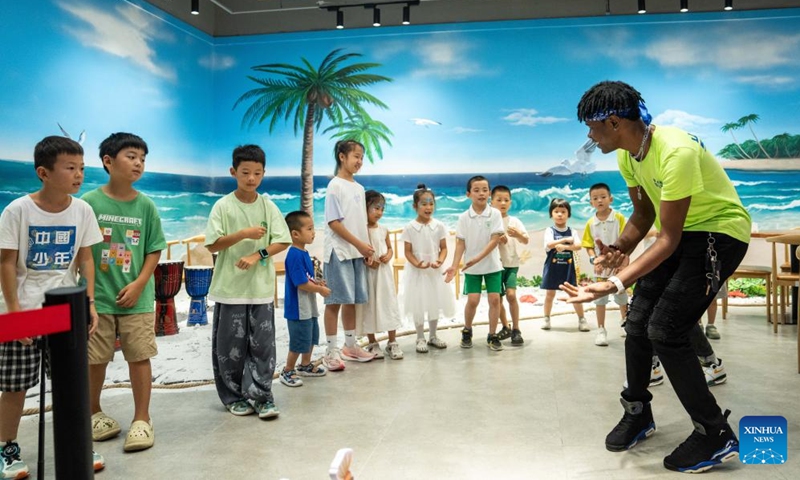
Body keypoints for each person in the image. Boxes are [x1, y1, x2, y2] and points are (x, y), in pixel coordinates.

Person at [567, 80, 750, 473]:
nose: (588, 135)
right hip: (683, 234)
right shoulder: (628, 154)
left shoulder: (676, 151)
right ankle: (638, 412)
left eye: (592, 126)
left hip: (720, 233)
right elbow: (645, 216)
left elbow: (667, 238)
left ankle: (714, 433)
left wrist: (616, 282)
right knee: (637, 323)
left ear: (614, 122)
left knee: (666, 329)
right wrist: (620, 250)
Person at [0, 136, 105, 478]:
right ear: (43, 172)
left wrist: (89, 302)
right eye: (70, 168)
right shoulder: (18, 210)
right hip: (18, 311)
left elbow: (86, 259)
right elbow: (5, 263)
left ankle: (77, 445)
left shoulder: (82, 210)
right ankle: (6, 448)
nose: (79, 175)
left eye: (82, 168)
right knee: (15, 385)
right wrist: (15, 313)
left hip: (66, 308)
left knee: (69, 383)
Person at [82, 132, 166, 453]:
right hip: (97, 300)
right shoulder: (89, 203)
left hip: (138, 300)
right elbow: (83, 252)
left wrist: (139, 283)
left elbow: (154, 249)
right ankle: (93, 413)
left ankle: (142, 419)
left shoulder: (145, 205)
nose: (139, 163)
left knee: (139, 356)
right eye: (131, 156)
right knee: (95, 360)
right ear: (108, 161)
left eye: (143, 158)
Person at [205, 144, 291, 419]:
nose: (251, 178)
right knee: (229, 348)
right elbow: (213, 245)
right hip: (231, 290)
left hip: (261, 290)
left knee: (263, 346)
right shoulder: (223, 206)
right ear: (233, 172)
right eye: (245, 173)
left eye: (257, 173)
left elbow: (283, 239)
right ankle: (232, 397)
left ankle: (262, 396)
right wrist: (243, 234)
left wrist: (258, 254)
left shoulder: (268, 206)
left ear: (264, 174)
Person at [322, 140, 376, 371]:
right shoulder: (335, 186)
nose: (359, 161)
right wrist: (359, 246)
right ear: (342, 157)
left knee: (352, 301)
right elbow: (334, 223)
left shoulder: (359, 188)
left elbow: (360, 223)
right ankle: (331, 351)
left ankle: (350, 346)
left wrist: (367, 249)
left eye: (362, 157)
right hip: (339, 252)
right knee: (335, 301)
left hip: (356, 253)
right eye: (355, 156)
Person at [444, 176, 505, 351]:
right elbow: (460, 243)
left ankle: (492, 335)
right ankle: (467, 330)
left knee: (495, 299)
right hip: (471, 267)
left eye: (485, 190)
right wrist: (454, 266)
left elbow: (495, 240)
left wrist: (478, 258)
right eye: (476, 190)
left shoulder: (495, 214)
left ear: (489, 193)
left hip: (492, 265)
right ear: (468, 194)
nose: (481, 193)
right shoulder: (464, 217)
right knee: (473, 300)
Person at [401, 184, 455, 353]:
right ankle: (420, 337)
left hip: (434, 271)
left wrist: (439, 260)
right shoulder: (410, 227)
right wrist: (417, 263)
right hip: (417, 272)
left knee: (434, 302)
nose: (428, 207)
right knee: (418, 303)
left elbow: (444, 248)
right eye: (423, 204)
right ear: (415, 206)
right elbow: (407, 252)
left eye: (431, 203)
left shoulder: (438, 225)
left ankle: (433, 335)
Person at [279, 211, 330, 387]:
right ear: (295, 234)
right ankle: (287, 370)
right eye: (309, 229)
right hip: (298, 308)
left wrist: (317, 282)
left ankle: (305, 365)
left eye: (313, 228)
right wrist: (320, 289)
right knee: (298, 340)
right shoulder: (293, 254)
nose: (313, 232)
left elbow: (306, 277)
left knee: (310, 336)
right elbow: (300, 283)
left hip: (308, 306)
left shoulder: (303, 253)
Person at [356, 190, 404, 360]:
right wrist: (368, 260)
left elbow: (389, 248)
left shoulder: (384, 229)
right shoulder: (361, 231)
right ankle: (372, 342)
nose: (379, 212)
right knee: (369, 305)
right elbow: (357, 250)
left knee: (387, 303)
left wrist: (389, 255)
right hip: (368, 274)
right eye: (375, 208)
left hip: (384, 274)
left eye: (382, 209)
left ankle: (392, 342)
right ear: (364, 208)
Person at [581, 183, 628, 346]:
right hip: (600, 269)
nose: (599, 200)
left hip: (618, 266)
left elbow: (627, 240)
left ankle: (625, 323)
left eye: (603, 197)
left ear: (611, 199)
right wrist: (594, 259)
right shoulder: (590, 223)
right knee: (600, 299)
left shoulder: (619, 218)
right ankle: (601, 330)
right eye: (595, 198)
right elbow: (587, 245)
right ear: (590, 202)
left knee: (621, 296)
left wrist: (623, 261)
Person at [541, 198, 588, 332]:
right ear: (551, 214)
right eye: (556, 211)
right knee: (550, 294)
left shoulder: (572, 230)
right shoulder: (549, 230)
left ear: (568, 214)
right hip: (552, 267)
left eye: (563, 211)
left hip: (568, 268)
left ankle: (581, 319)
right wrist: (565, 241)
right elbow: (549, 244)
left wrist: (565, 247)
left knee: (573, 293)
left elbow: (578, 246)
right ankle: (546, 318)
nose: (560, 214)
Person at [491, 185, 529, 346]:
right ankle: (506, 327)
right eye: (499, 200)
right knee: (497, 299)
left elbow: (525, 240)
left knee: (511, 295)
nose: (503, 203)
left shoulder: (514, 221)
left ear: (511, 202)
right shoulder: (489, 221)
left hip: (511, 263)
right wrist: (496, 239)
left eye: (506, 200)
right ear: (491, 202)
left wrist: (517, 234)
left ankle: (516, 329)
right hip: (493, 266)